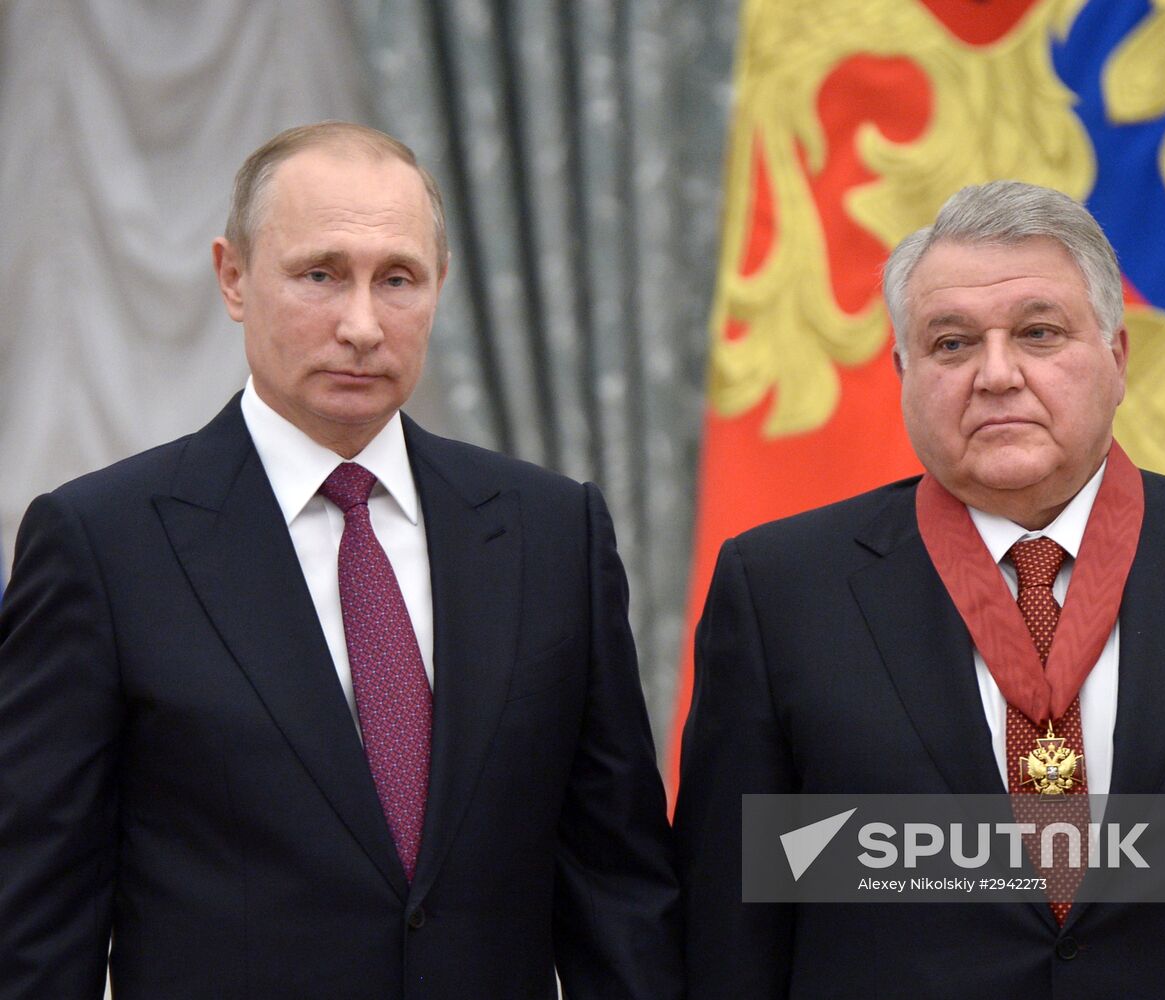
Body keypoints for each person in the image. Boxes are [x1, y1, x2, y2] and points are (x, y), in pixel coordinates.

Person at [0, 122, 681, 999]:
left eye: (397, 279)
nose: (361, 324)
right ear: (233, 277)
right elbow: (34, 912)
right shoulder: (103, 542)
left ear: (441, 287)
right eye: (320, 274)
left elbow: (618, 882)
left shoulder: (553, 532)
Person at [673, 180, 1165, 997]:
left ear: (1118, 360)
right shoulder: (780, 591)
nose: (997, 374)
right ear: (905, 372)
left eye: (1039, 333)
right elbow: (730, 933)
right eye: (951, 345)